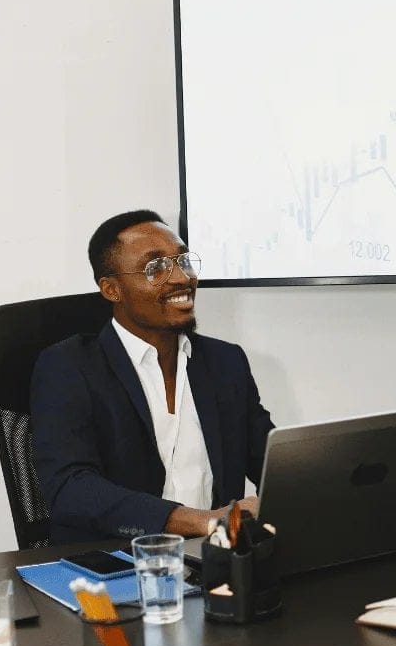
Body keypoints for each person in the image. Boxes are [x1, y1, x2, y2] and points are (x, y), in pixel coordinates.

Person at [31, 210, 273, 544]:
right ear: (112, 289)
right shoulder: (68, 367)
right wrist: (202, 521)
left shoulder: (225, 361)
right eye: (156, 267)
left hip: (214, 560)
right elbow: (71, 488)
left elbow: (271, 463)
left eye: (183, 261)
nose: (180, 278)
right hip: (115, 563)